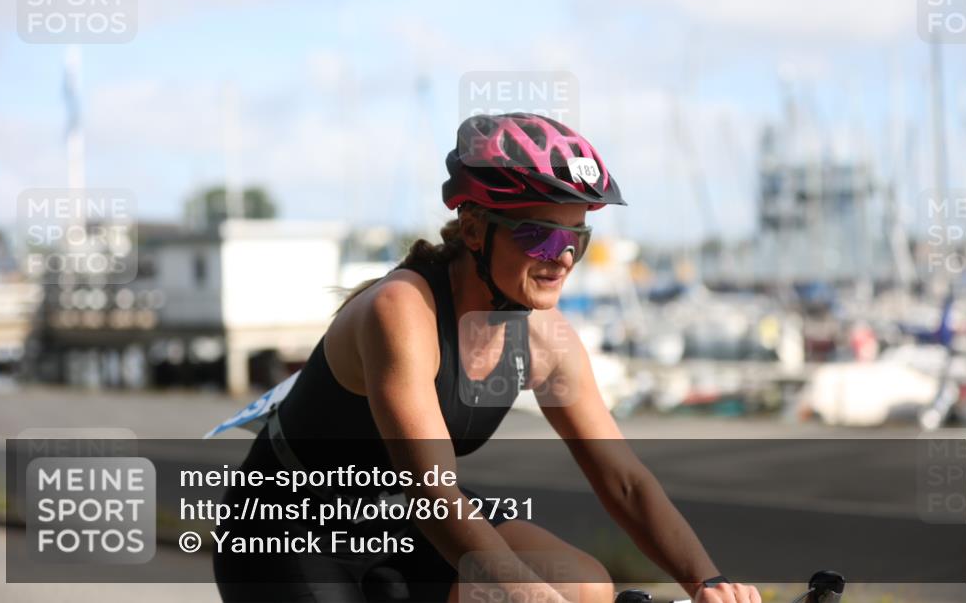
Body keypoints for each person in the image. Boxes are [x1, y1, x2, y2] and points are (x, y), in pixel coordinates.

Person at [213, 113, 761, 603]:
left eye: (577, 238)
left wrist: (708, 583)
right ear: (474, 228)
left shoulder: (546, 338)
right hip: (291, 527)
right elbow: (430, 488)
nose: (563, 257)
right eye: (540, 237)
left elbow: (624, 481)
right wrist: (523, 594)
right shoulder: (403, 310)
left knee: (585, 586)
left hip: (397, 516)